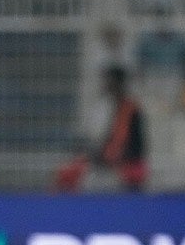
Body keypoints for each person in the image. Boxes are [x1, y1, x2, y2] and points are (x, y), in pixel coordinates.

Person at [55, 65, 147, 193]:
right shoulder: (105, 106)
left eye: (110, 81)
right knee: (66, 172)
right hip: (105, 158)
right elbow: (105, 139)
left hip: (124, 162)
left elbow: (136, 145)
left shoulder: (131, 109)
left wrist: (114, 159)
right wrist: (97, 155)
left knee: (97, 178)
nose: (107, 84)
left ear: (119, 83)